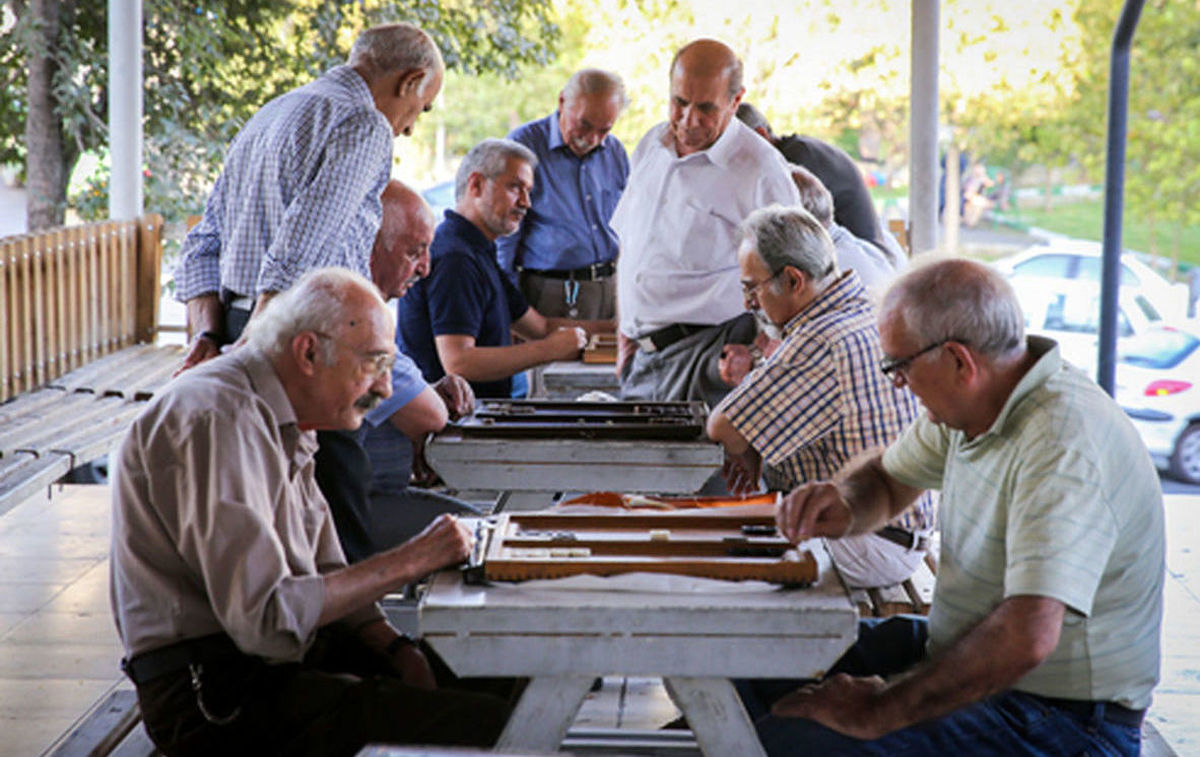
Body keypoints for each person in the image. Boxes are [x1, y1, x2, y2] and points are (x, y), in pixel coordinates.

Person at [744, 258, 1164, 756]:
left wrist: (878, 709)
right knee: (755, 659)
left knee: (785, 743)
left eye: (898, 367)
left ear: (959, 361)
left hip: (1065, 719)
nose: (896, 384)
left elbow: (1025, 637)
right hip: (973, 656)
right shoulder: (979, 400)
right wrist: (845, 502)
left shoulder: (1060, 442)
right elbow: (887, 476)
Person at [110, 269, 510, 756]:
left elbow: (325, 570)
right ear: (308, 353)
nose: (385, 389)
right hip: (211, 692)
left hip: (275, 661)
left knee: (504, 685)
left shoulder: (285, 413)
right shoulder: (219, 417)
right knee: (492, 728)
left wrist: (394, 648)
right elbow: (267, 618)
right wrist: (412, 560)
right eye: (373, 364)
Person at [174, 22, 445, 372]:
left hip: (235, 322)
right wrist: (256, 343)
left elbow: (202, 243)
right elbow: (301, 248)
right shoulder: (365, 123)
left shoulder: (270, 113)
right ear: (410, 81)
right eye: (422, 108)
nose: (409, 129)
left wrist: (208, 335)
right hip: (295, 335)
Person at [706, 205, 934, 588]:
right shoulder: (859, 307)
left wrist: (746, 446)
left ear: (794, 280)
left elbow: (722, 428)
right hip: (892, 535)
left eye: (752, 288)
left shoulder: (822, 337)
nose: (749, 303)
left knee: (709, 561)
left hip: (870, 543)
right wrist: (752, 446)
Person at [612, 39, 800, 408]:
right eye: (679, 103)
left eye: (706, 108)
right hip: (643, 358)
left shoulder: (760, 169)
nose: (688, 120)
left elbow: (798, 278)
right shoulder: (651, 145)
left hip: (713, 355)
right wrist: (625, 334)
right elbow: (631, 249)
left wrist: (762, 351)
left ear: (735, 101)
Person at [325, 180, 477, 562]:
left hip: (372, 494)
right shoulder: (353, 321)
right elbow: (430, 416)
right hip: (346, 512)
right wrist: (422, 408)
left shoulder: (367, 314)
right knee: (480, 537)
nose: (425, 269)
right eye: (415, 252)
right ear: (370, 249)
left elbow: (409, 403)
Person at [398, 138, 611, 399]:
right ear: (475, 184)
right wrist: (548, 350)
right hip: (452, 426)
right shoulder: (456, 258)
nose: (526, 202)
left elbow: (540, 327)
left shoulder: (478, 249)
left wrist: (619, 329)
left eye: (528, 191)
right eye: (515, 187)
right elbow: (459, 362)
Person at [496, 69, 630, 319]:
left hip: (610, 290)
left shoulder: (615, 152)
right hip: (548, 293)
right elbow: (504, 235)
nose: (591, 138)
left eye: (604, 130)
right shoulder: (523, 146)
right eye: (584, 125)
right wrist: (508, 306)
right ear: (561, 102)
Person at [736, 102, 891, 254]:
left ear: (761, 135)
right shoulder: (796, 149)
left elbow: (782, 234)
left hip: (857, 261)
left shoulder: (797, 159)